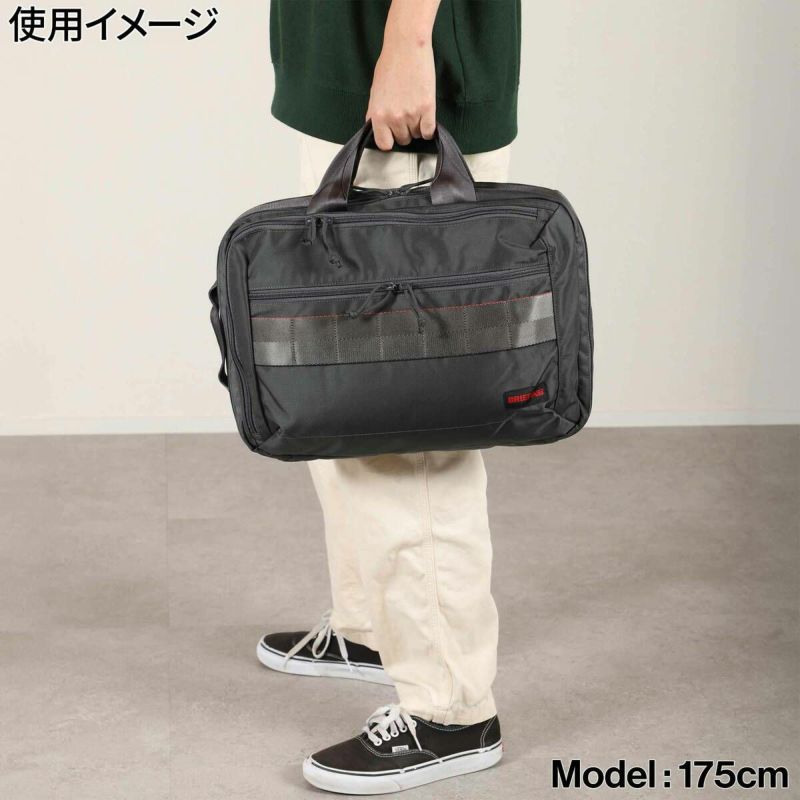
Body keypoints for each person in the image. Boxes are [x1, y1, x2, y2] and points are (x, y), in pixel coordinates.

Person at [261, 0, 521, 793]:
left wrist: (408, 42)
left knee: (406, 423)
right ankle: (375, 627)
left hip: (406, 76)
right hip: (348, 70)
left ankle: (452, 710)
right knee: (343, 393)